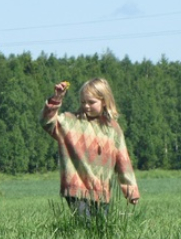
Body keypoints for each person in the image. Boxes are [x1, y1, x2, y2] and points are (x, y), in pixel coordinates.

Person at [40, 77, 140, 221]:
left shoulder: (113, 129)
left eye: (91, 102)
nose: (86, 106)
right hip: (76, 188)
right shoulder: (69, 122)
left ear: (104, 101)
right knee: (85, 225)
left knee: (101, 229)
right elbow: (46, 122)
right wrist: (56, 99)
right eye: (83, 102)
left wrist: (131, 190)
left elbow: (123, 161)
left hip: (102, 191)